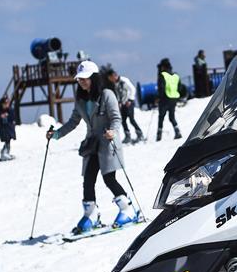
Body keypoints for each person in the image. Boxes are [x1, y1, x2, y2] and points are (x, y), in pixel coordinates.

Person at [47, 60, 138, 234]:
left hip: (108, 142)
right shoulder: (81, 99)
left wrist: (113, 131)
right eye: (79, 79)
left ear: (94, 78)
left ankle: (128, 210)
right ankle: (91, 215)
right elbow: (73, 122)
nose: (81, 82)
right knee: (88, 180)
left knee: (109, 178)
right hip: (91, 144)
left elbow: (116, 118)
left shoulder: (106, 94)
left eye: (85, 78)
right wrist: (56, 134)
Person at [107, 69, 145, 143]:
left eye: (110, 78)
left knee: (131, 119)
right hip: (123, 104)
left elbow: (132, 89)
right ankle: (127, 136)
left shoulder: (124, 80)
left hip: (129, 103)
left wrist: (130, 100)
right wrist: (119, 102)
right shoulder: (115, 84)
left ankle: (140, 134)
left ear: (113, 76)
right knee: (123, 120)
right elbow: (118, 94)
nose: (110, 80)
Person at [156, 58, 182, 141]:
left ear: (163, 66)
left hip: (165, 98)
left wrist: (158, 98)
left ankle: (159, 135)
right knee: (172, 117)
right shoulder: (176, 76)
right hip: (174, 98)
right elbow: (180, 87)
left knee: (161, 117)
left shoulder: (162, 75)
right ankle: (177, 131)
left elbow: (161, 88)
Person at [0, 95, 17, 161]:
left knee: (8, 141)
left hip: (9, 128)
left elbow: (13, 117)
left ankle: (6, 153)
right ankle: (4, 153)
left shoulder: (10, 110)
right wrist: (0, 116)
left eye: (8, 103)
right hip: (2, 129)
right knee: (6, 140)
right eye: (5, 103)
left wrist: (7, 116)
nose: (6, 105)